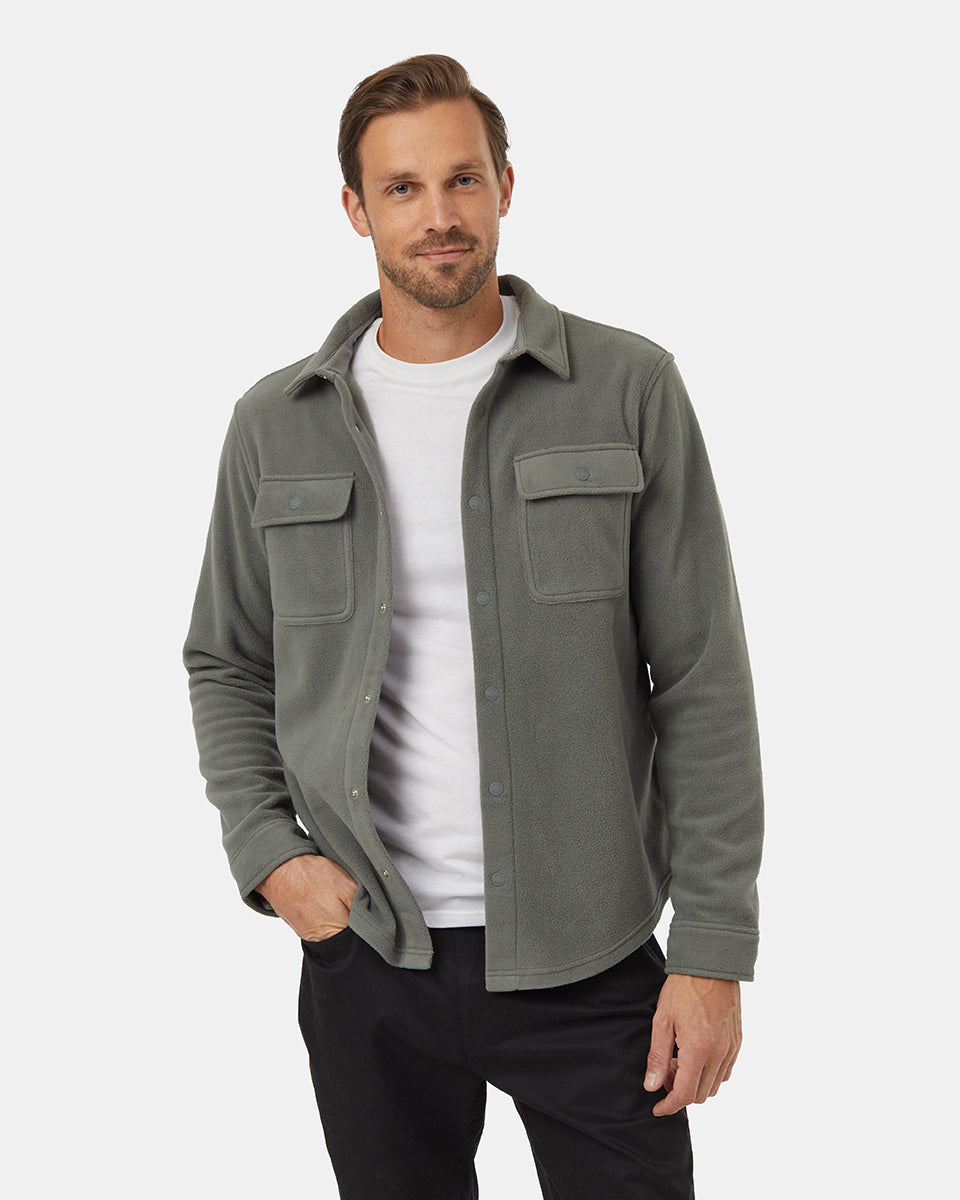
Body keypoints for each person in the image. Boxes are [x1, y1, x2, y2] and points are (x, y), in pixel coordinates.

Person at [183, 52, 764, 1200]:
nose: (438, 215)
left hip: (591, 955)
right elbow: (227, 659)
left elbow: (702, 677)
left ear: (505, 185)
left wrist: (712, 949)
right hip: (367, 954)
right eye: (401, 188)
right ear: (356, 209)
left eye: (461, 179)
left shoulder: (628, 387)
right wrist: (269, 854)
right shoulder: (276, 422)